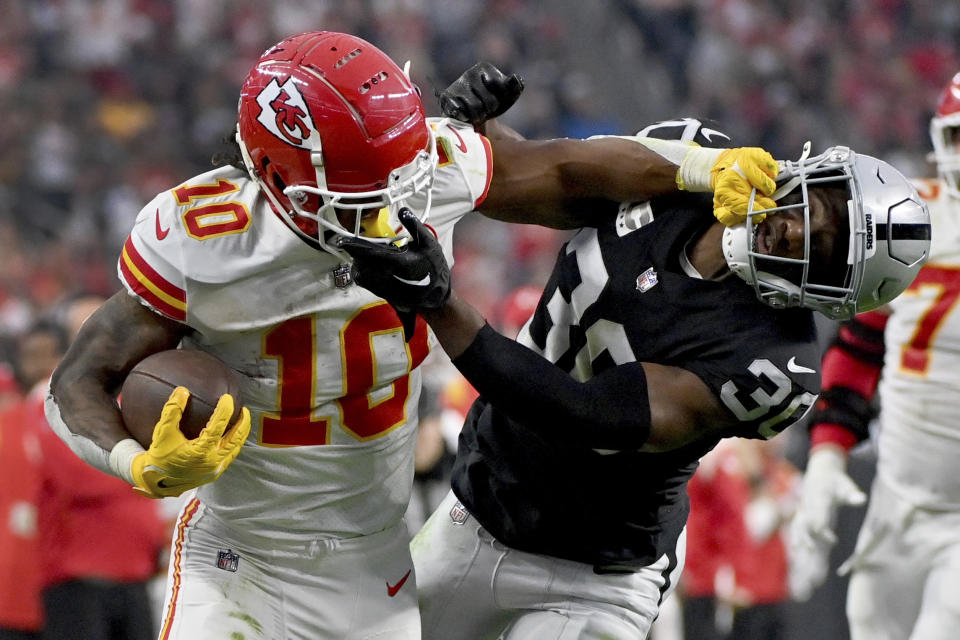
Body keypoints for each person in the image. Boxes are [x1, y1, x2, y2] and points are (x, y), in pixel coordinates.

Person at [42, 33, 779, 638]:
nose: (391, 212)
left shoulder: (421, 169)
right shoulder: (202, 238)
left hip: (377, 570)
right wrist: (137, 463)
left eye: (397, 185)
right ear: (274, 176)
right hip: (246, 559)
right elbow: (80, 378)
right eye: (362, 197)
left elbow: (561, 169)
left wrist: (699, 168)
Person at [337, 99, 932, 638]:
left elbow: (582, 414)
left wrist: (440, 301)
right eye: (819, 205)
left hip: (596, 577)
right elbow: (558, 175)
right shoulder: (698, 162)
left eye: (824, 247)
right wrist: (486, 133)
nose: (799, 227)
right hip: (478, 510)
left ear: (832, 294)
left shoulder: (776, 366)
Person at [788, 71, 960, 640]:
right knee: (869, 624)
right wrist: (827, 460)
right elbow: (860, 348)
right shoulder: (915, 217)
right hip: (899, 494)